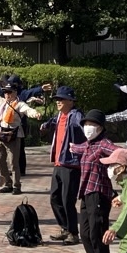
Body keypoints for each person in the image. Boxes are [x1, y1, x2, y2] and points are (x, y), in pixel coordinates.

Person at [70, 109, 120, 253]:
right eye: (86, 124)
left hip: (99, 194)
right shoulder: (88, 144)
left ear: (100, 128)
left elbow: (118, 152)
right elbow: (77, 148)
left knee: (97, 233)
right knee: (84, 233)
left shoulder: (103, 144)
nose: (88, 127)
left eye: (92, 124)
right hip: (85, 193)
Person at [38, 85, 86, 243]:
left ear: (71, 101)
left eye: (61, 99)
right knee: (55, 198)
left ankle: (73, 233)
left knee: (67, 199)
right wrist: (45, 125)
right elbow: (53, 122)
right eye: (57, 99)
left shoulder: (76, 115)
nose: (58, 102)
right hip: (59, 163)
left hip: (71, 164)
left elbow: (84, 125)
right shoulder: (59, 116)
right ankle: (65, 228)